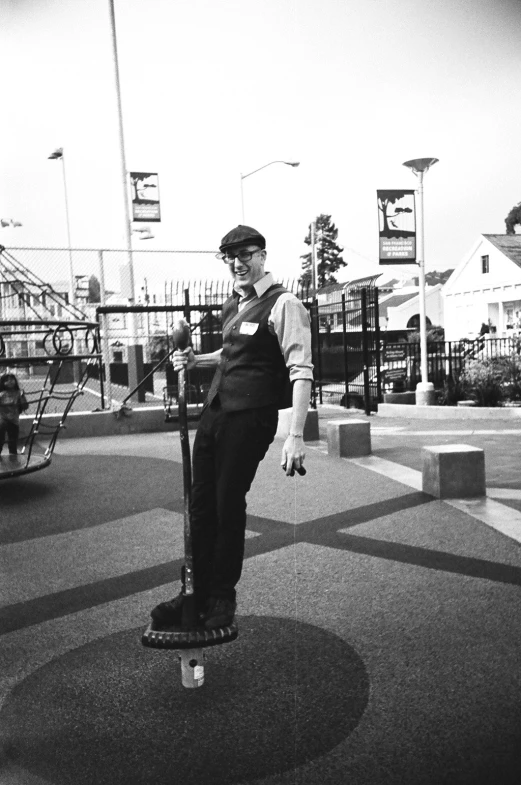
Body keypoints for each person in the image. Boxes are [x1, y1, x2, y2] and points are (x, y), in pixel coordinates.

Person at [151, 225, 313, 630]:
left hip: (251, 418)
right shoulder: (232, 306)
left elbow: (301, 370)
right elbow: (230, 353)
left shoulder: (284, 303)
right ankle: (193, 591)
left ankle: (222, 596)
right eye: (230, 257)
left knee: (227, 503)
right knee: (201, 504)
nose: (238, 263)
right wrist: (195, 361)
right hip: (215, 413)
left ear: (262, 256)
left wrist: (295, 435)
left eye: (245, 254)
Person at [0, 372, 28, 458]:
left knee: (13, 440)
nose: (10, 381)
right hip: (2, 419)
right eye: (7, 380)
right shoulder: (1, 394)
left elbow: (25, 406)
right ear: (3, 383)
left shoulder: (18, 393)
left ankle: (13, 456)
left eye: (12, 379)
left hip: (14, 420)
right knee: (0, 438)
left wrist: (22, 397)